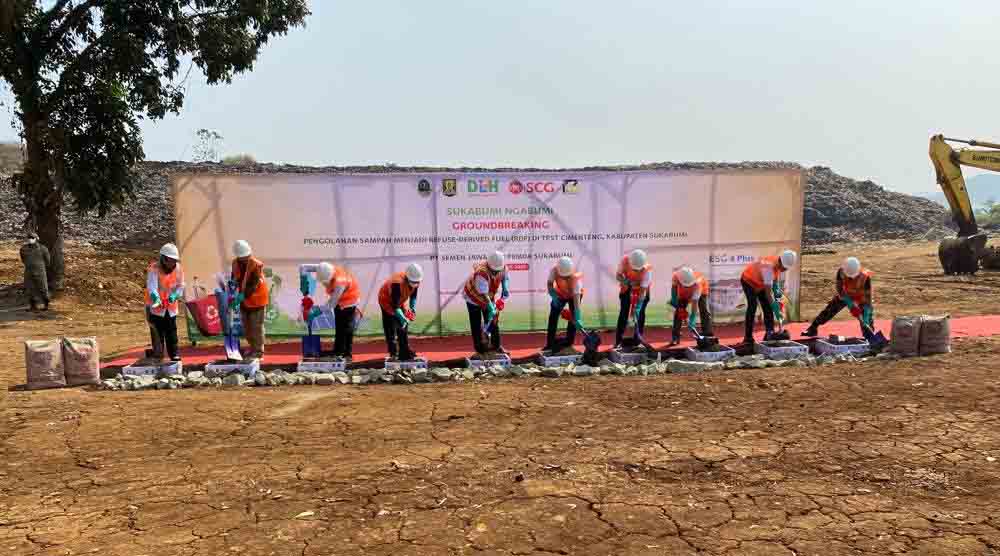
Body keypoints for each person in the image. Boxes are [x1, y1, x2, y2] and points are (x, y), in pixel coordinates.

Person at [802, 257, 874, 337]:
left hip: (861, 298)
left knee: (867, 319)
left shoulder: (865, 277)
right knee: (830, 309)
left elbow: (868, 299)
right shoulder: (841, 272)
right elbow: (839, 289)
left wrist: (865, 318)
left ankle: (870, 336)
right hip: (846, 294)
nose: (851, 277)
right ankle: (813, 328)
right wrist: (850, 303)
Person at [740, 249, 797, 344]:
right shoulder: (768, 268)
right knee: (752, 306)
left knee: (767, 308)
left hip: (761, 282)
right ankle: (748, 338)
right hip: (748, 280)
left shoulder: (777, 264)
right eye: (785, 268)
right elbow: (768, 294)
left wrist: (780, 305)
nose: (785, 270)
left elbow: (775, 288)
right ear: (781, 263)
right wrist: (776, 307)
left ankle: (769, 334)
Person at [463, 251, 510, 355]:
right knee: (476, 323)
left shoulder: (502, 267)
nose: (495, 273)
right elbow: (484, 295)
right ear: (489, 266)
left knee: (493, 320)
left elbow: (505, 278)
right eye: (493, 271)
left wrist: (505, 287)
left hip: (488, 294)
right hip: (473, 296)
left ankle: (496, 346)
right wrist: (491, 308)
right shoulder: (481, 272)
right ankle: (480, 349)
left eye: (497, 271)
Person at [145, 243, 184, 362]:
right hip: (156, 308)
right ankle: (158, 355)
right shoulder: (154, 269)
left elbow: (181, 285)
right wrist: (157, 299)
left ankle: (174, 354)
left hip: (170, 307)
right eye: (169, 261)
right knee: (157, 332)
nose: (171, 264)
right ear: (163, 259)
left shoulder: (178, 268)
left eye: (173, 261)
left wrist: (175, 295)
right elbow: (152, 287)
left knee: (171, 331)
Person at [231, 240, 269, 359]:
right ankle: (253, 348)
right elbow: (235, 278)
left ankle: (258, 351)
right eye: (242, 257)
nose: (245, 259)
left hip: (257, 298)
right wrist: (232, 287)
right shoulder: (235, 263)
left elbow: (253, 285)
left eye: (246, 256)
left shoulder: (255, 265)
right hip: (244, 300)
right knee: (247, 326)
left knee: (256, 326)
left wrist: (241, 296)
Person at [378, 263, 423, 360]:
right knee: (391, 326)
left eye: (417, 282)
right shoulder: (397, 284)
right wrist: (402, 318)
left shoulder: (416, 280)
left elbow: (413, 296)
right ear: (407, 278)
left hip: (400, 301)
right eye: (413, 282)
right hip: (387, 301)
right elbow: (395, 306)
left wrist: (412, 309)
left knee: (403, 327)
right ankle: (393, 352)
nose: (415, 284)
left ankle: (404, 350)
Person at [316, 261, 361, 360]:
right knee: (339, 327)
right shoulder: (327, 269)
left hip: (350, 302)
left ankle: (346, 354)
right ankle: (337, 351)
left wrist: (318, 310)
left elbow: (332, 303)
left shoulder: (340, 282)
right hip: (340, 300)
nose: (324, 284)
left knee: (346, 328)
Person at [543, 256, 584, 353]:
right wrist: (554, 297)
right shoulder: (554, 270)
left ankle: (569, 343)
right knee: (553, 316)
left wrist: (577, 318)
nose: (565, 278)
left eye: (567, 277)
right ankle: (550, 344)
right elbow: (549, 284)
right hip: (559, 294)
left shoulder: (576, 281)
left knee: (573, 318)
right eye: (563, 276)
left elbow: (576, 302)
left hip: (573, 295)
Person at [614, 249, 652, 349]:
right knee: (624, 313)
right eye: (634, 268)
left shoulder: (647, 271)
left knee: (640, 314)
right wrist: (625, 281)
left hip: (641, 290)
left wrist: (638, 307)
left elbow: (643, 291)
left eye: (637, 269)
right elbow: (618, 275)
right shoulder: (624, 261)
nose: (636, 271)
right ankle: (618, 341)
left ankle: (637, 340)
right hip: (627, 287)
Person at [670, 266, 713, 344]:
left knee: (704, 309)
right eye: (686, 285)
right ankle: (675, 336)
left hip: (702, 290)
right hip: (682, 293)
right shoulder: (676, 276)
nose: (687, 286)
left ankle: (707, 333)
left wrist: (692, 319)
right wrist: (676, 304)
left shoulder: (698, 284)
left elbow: (694, 304)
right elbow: (674, 290)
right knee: (678, 314)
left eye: (688, 285)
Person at [19, 232, 50, 311]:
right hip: (29, 271)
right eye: (29, 238)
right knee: (30, 289)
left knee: (43, 288)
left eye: (32, 238)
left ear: (36, 239)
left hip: (40, 271)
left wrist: (40, 267)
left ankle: (46, 305)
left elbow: (47, 261)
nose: (30, 239)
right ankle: (33, 306)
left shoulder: (43, 249)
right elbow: (23, 259)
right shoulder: (23, 249)